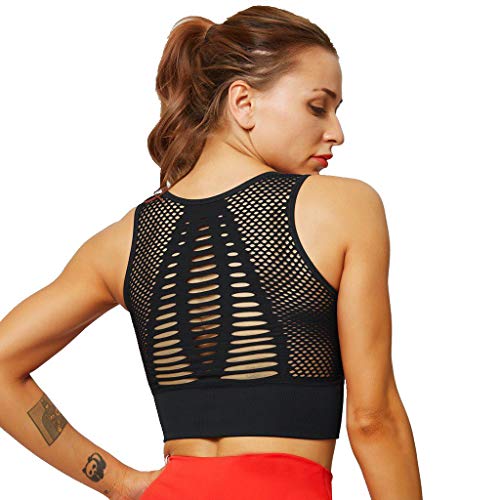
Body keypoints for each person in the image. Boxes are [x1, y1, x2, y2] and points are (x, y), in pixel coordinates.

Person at [0, 5, 423, 500]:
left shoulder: (122, 240)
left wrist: (119, 483)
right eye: (318, 107)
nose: (337, 132)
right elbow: (374, 421)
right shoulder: (346, 207)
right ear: (243, 102)